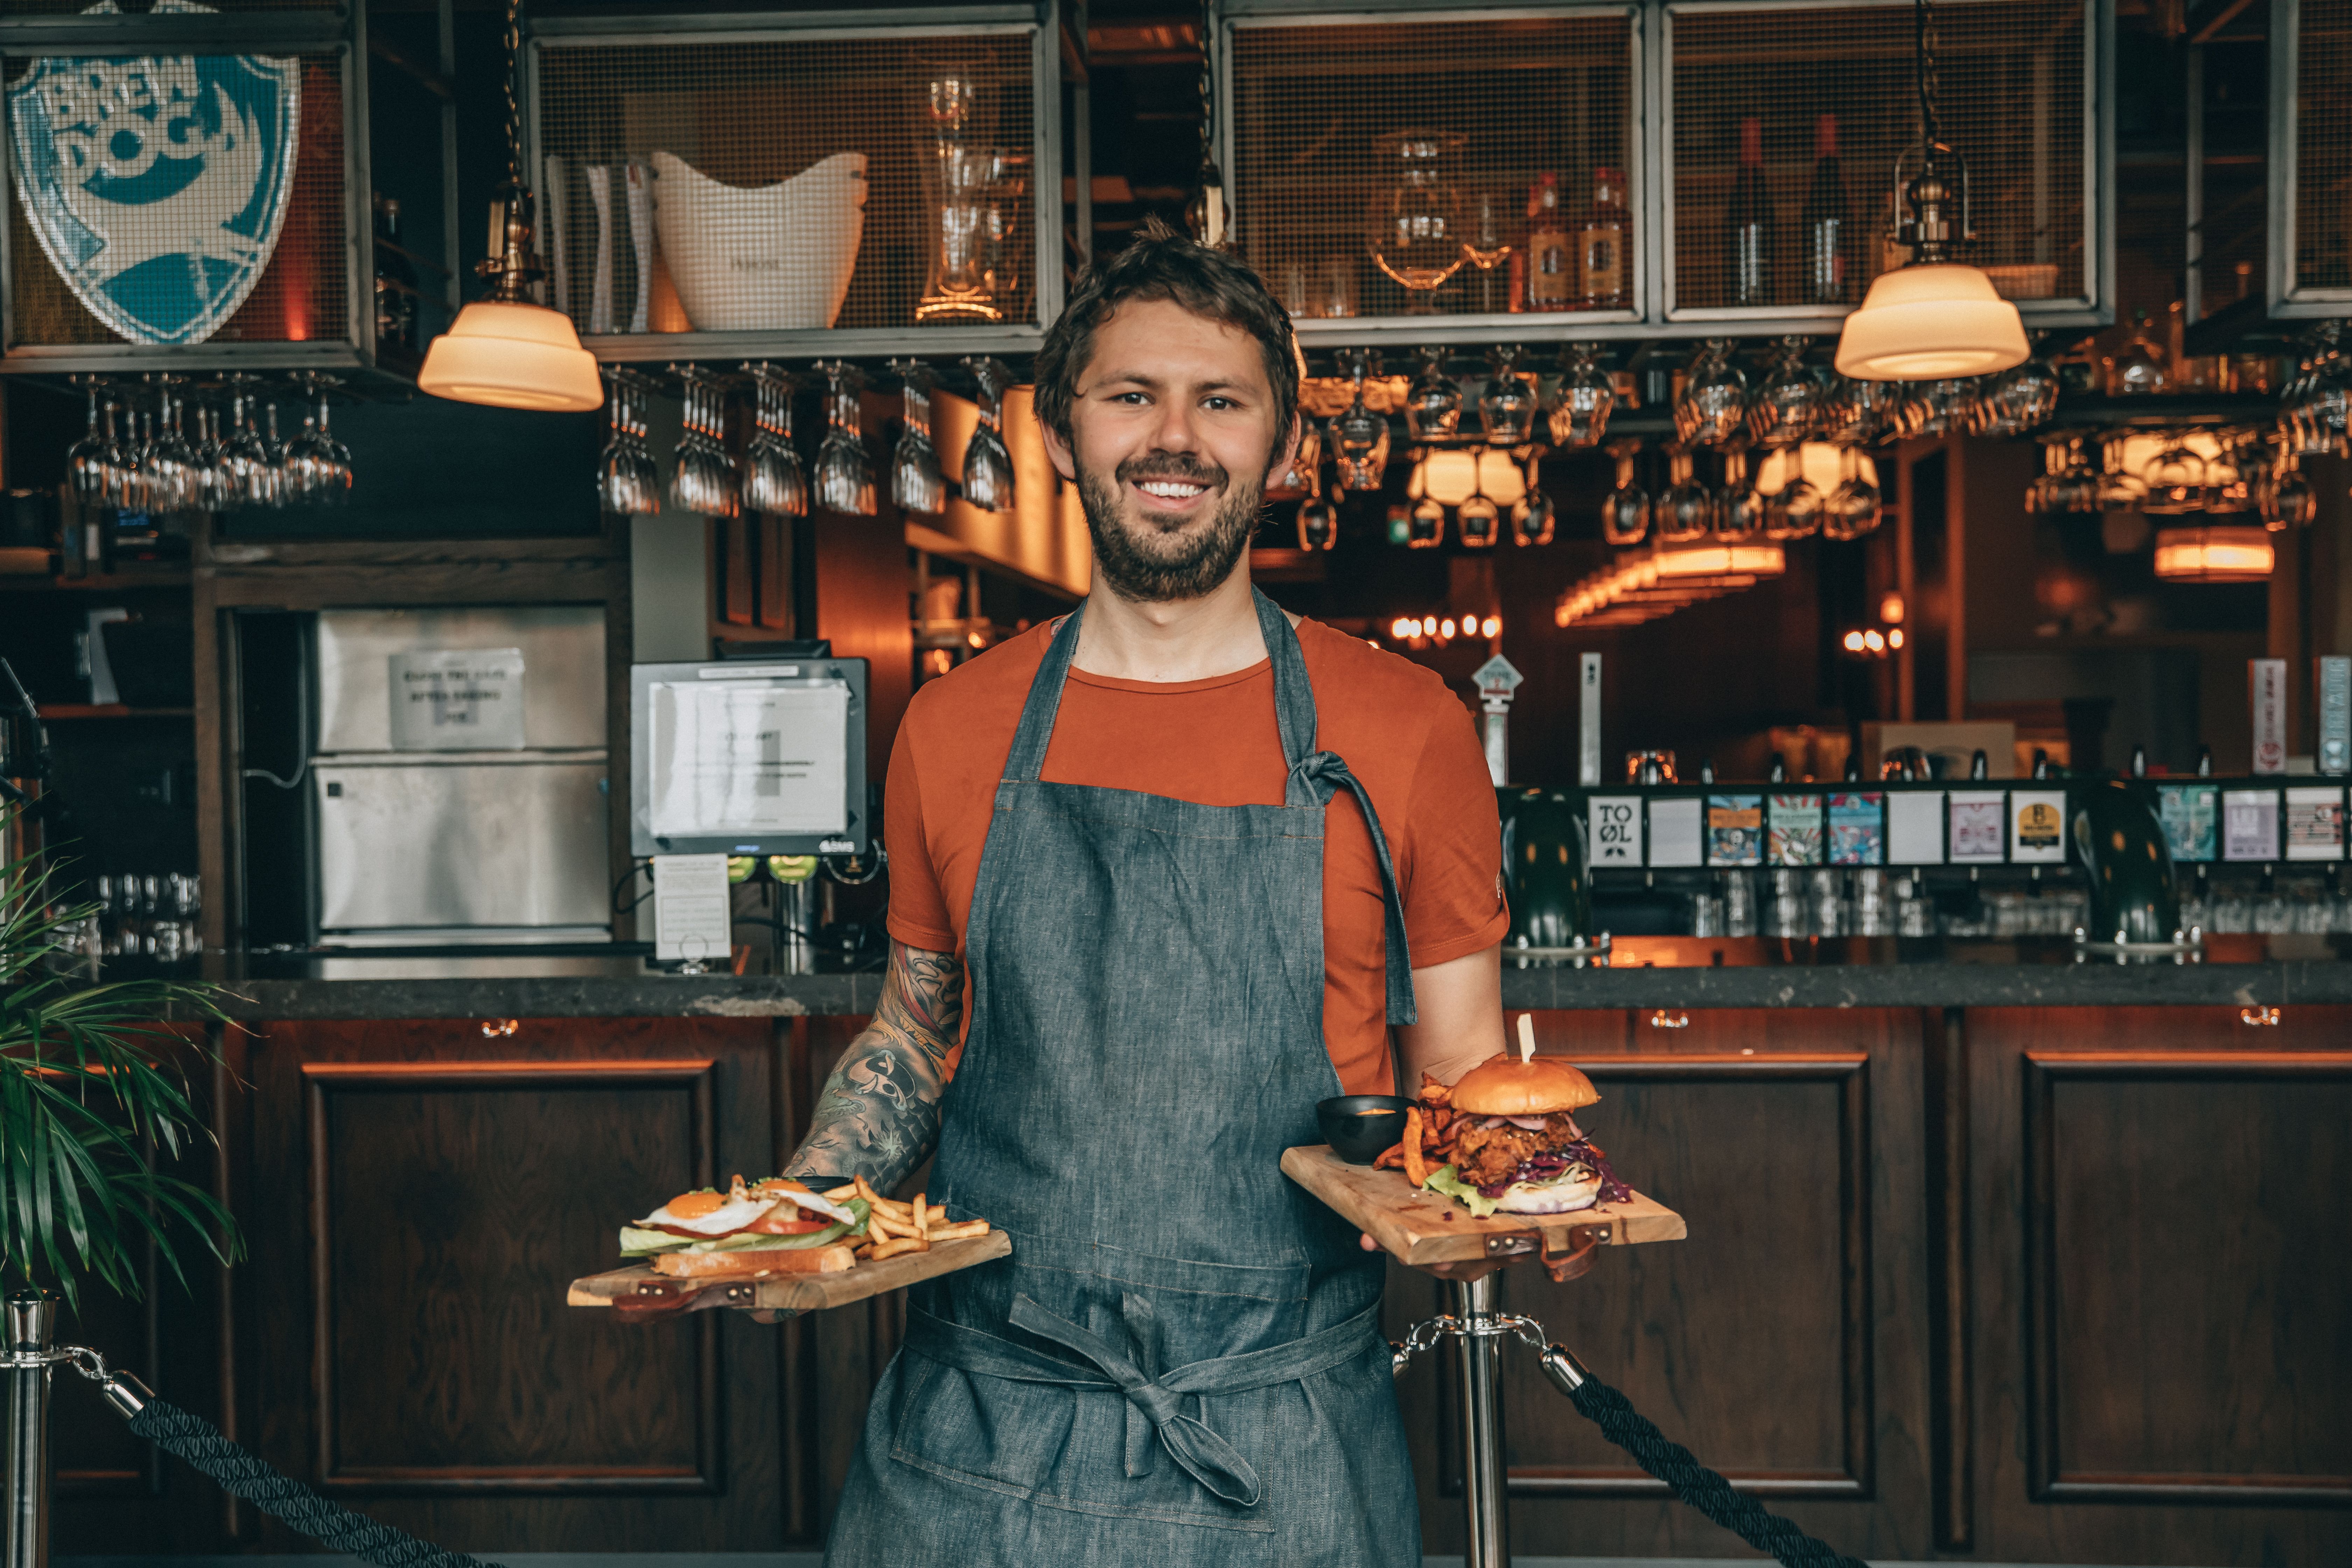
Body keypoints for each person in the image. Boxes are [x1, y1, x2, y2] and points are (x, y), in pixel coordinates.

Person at [788, 218, 1510, 1566]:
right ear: (1063, 434)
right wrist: (797, 1215)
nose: (1174, 437)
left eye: (1221, 401)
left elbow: (1462, 1065)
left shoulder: (1407, 730)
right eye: (1132, 396)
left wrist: (1524, 1204)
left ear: (1283, 450)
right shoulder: (951, 729)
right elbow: (916, 1031)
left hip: (1281, 1435)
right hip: (981, 1433)